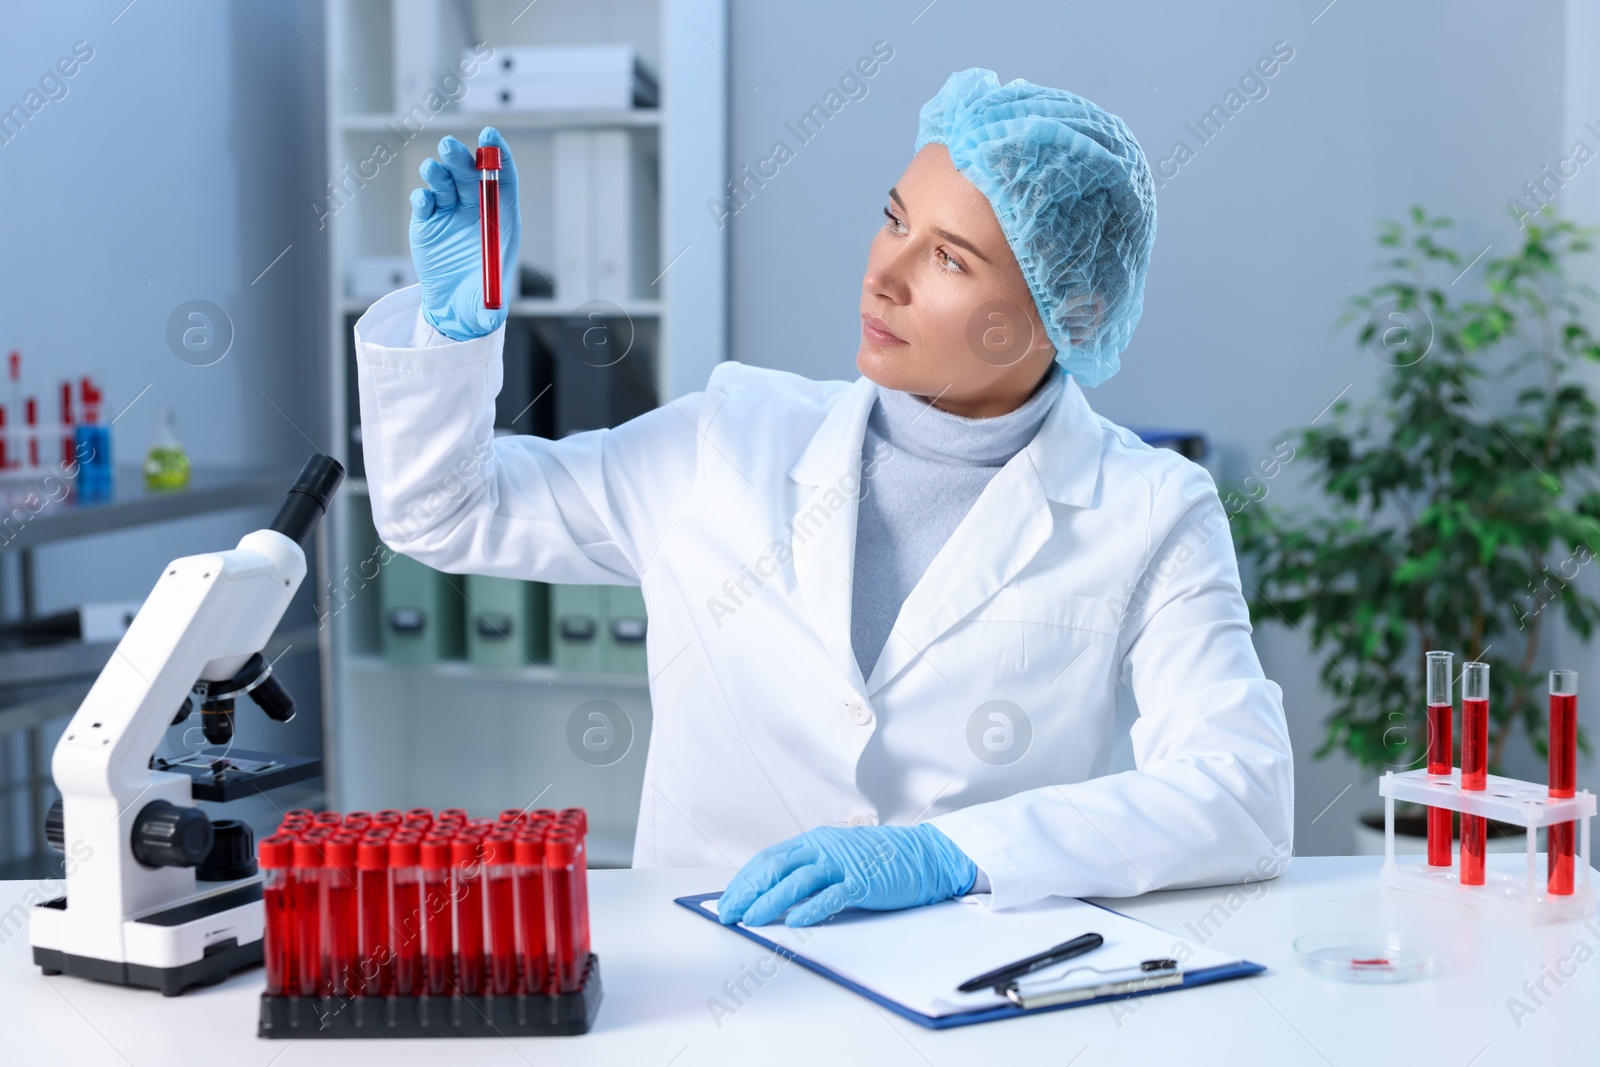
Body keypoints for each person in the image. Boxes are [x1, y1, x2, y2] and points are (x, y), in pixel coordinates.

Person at [354, 68, 1294, 929]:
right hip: (703, 987)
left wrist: (951, 854)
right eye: (894, 220)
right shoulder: (728, 437)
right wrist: (450, 332)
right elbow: (445, 510)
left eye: (950, 260)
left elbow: (1242, 790)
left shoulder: (1152, 508)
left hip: (966, 1000)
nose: (883, 273)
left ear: (1070, 314)